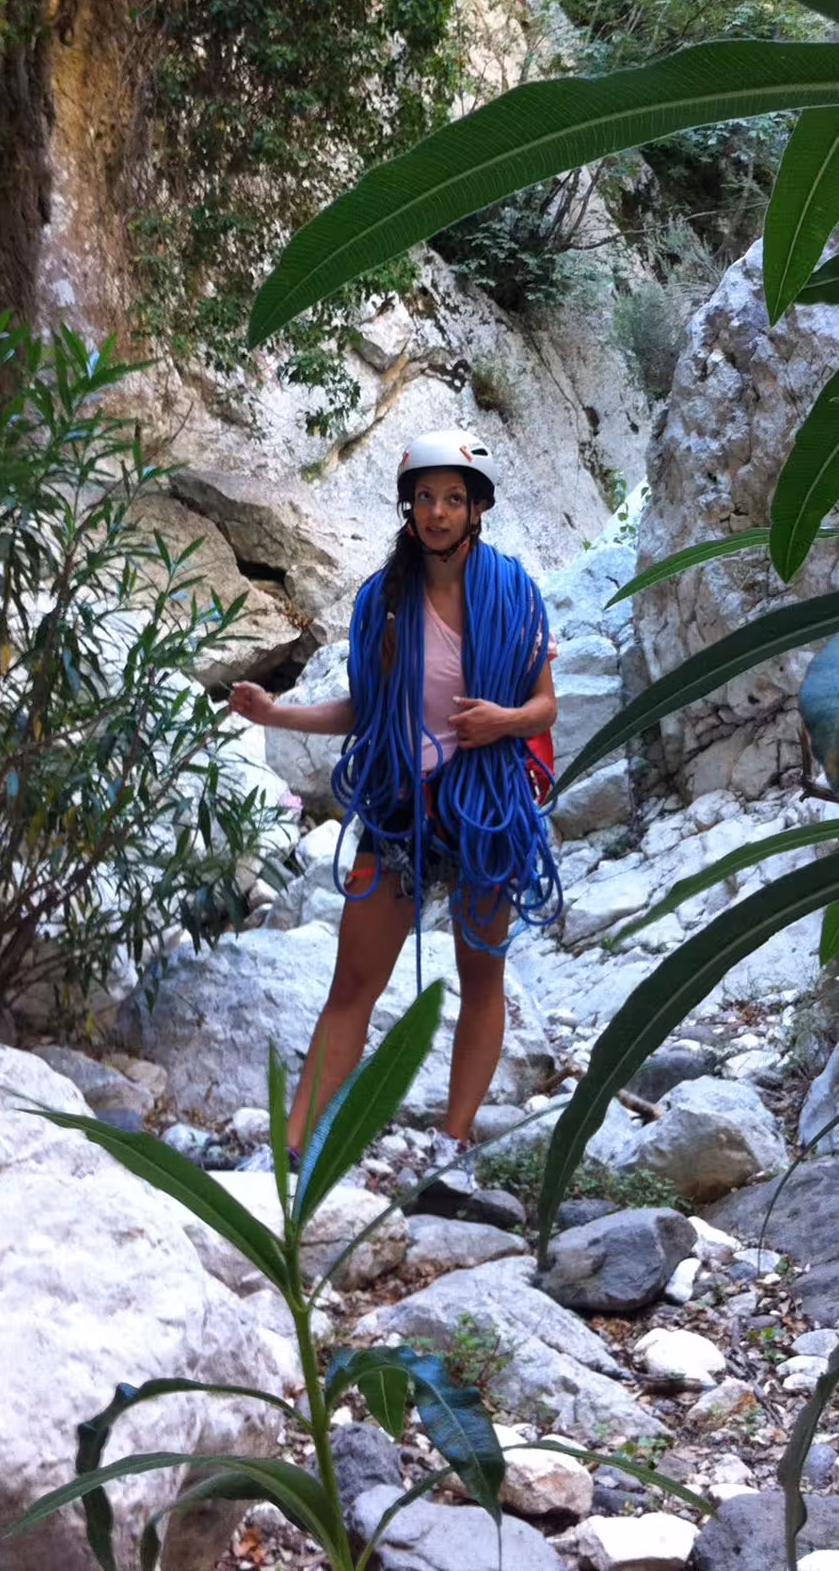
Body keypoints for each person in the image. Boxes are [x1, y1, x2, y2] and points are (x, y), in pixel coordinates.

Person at [229, 429, 561, 1165]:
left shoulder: (515, 595)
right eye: (424, 498)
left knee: (483, 977)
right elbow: (368, 711)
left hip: (484, 807)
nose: (437, 512)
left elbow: (544, 707)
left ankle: (452, 1145)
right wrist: (276, 713)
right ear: (408, 509)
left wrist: (502, 721)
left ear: (477, 509)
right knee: (353, 982)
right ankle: (289, 1152)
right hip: (399, 807)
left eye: (452, 498)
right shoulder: (384, 603)